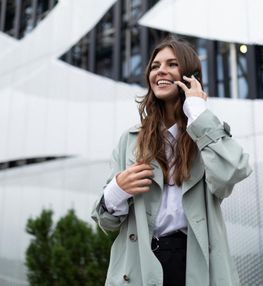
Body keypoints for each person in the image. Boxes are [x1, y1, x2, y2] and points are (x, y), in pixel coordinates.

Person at [91, 36, 252, 285]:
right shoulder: (130, 140)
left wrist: (198, 113)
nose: (161, 71)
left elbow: (232, 172)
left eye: (172, 64)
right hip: (141, 265)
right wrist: (117, 190)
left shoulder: (206, 135)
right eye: (155, 66)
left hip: (196, 262)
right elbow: (106, 221)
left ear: (189, 76)